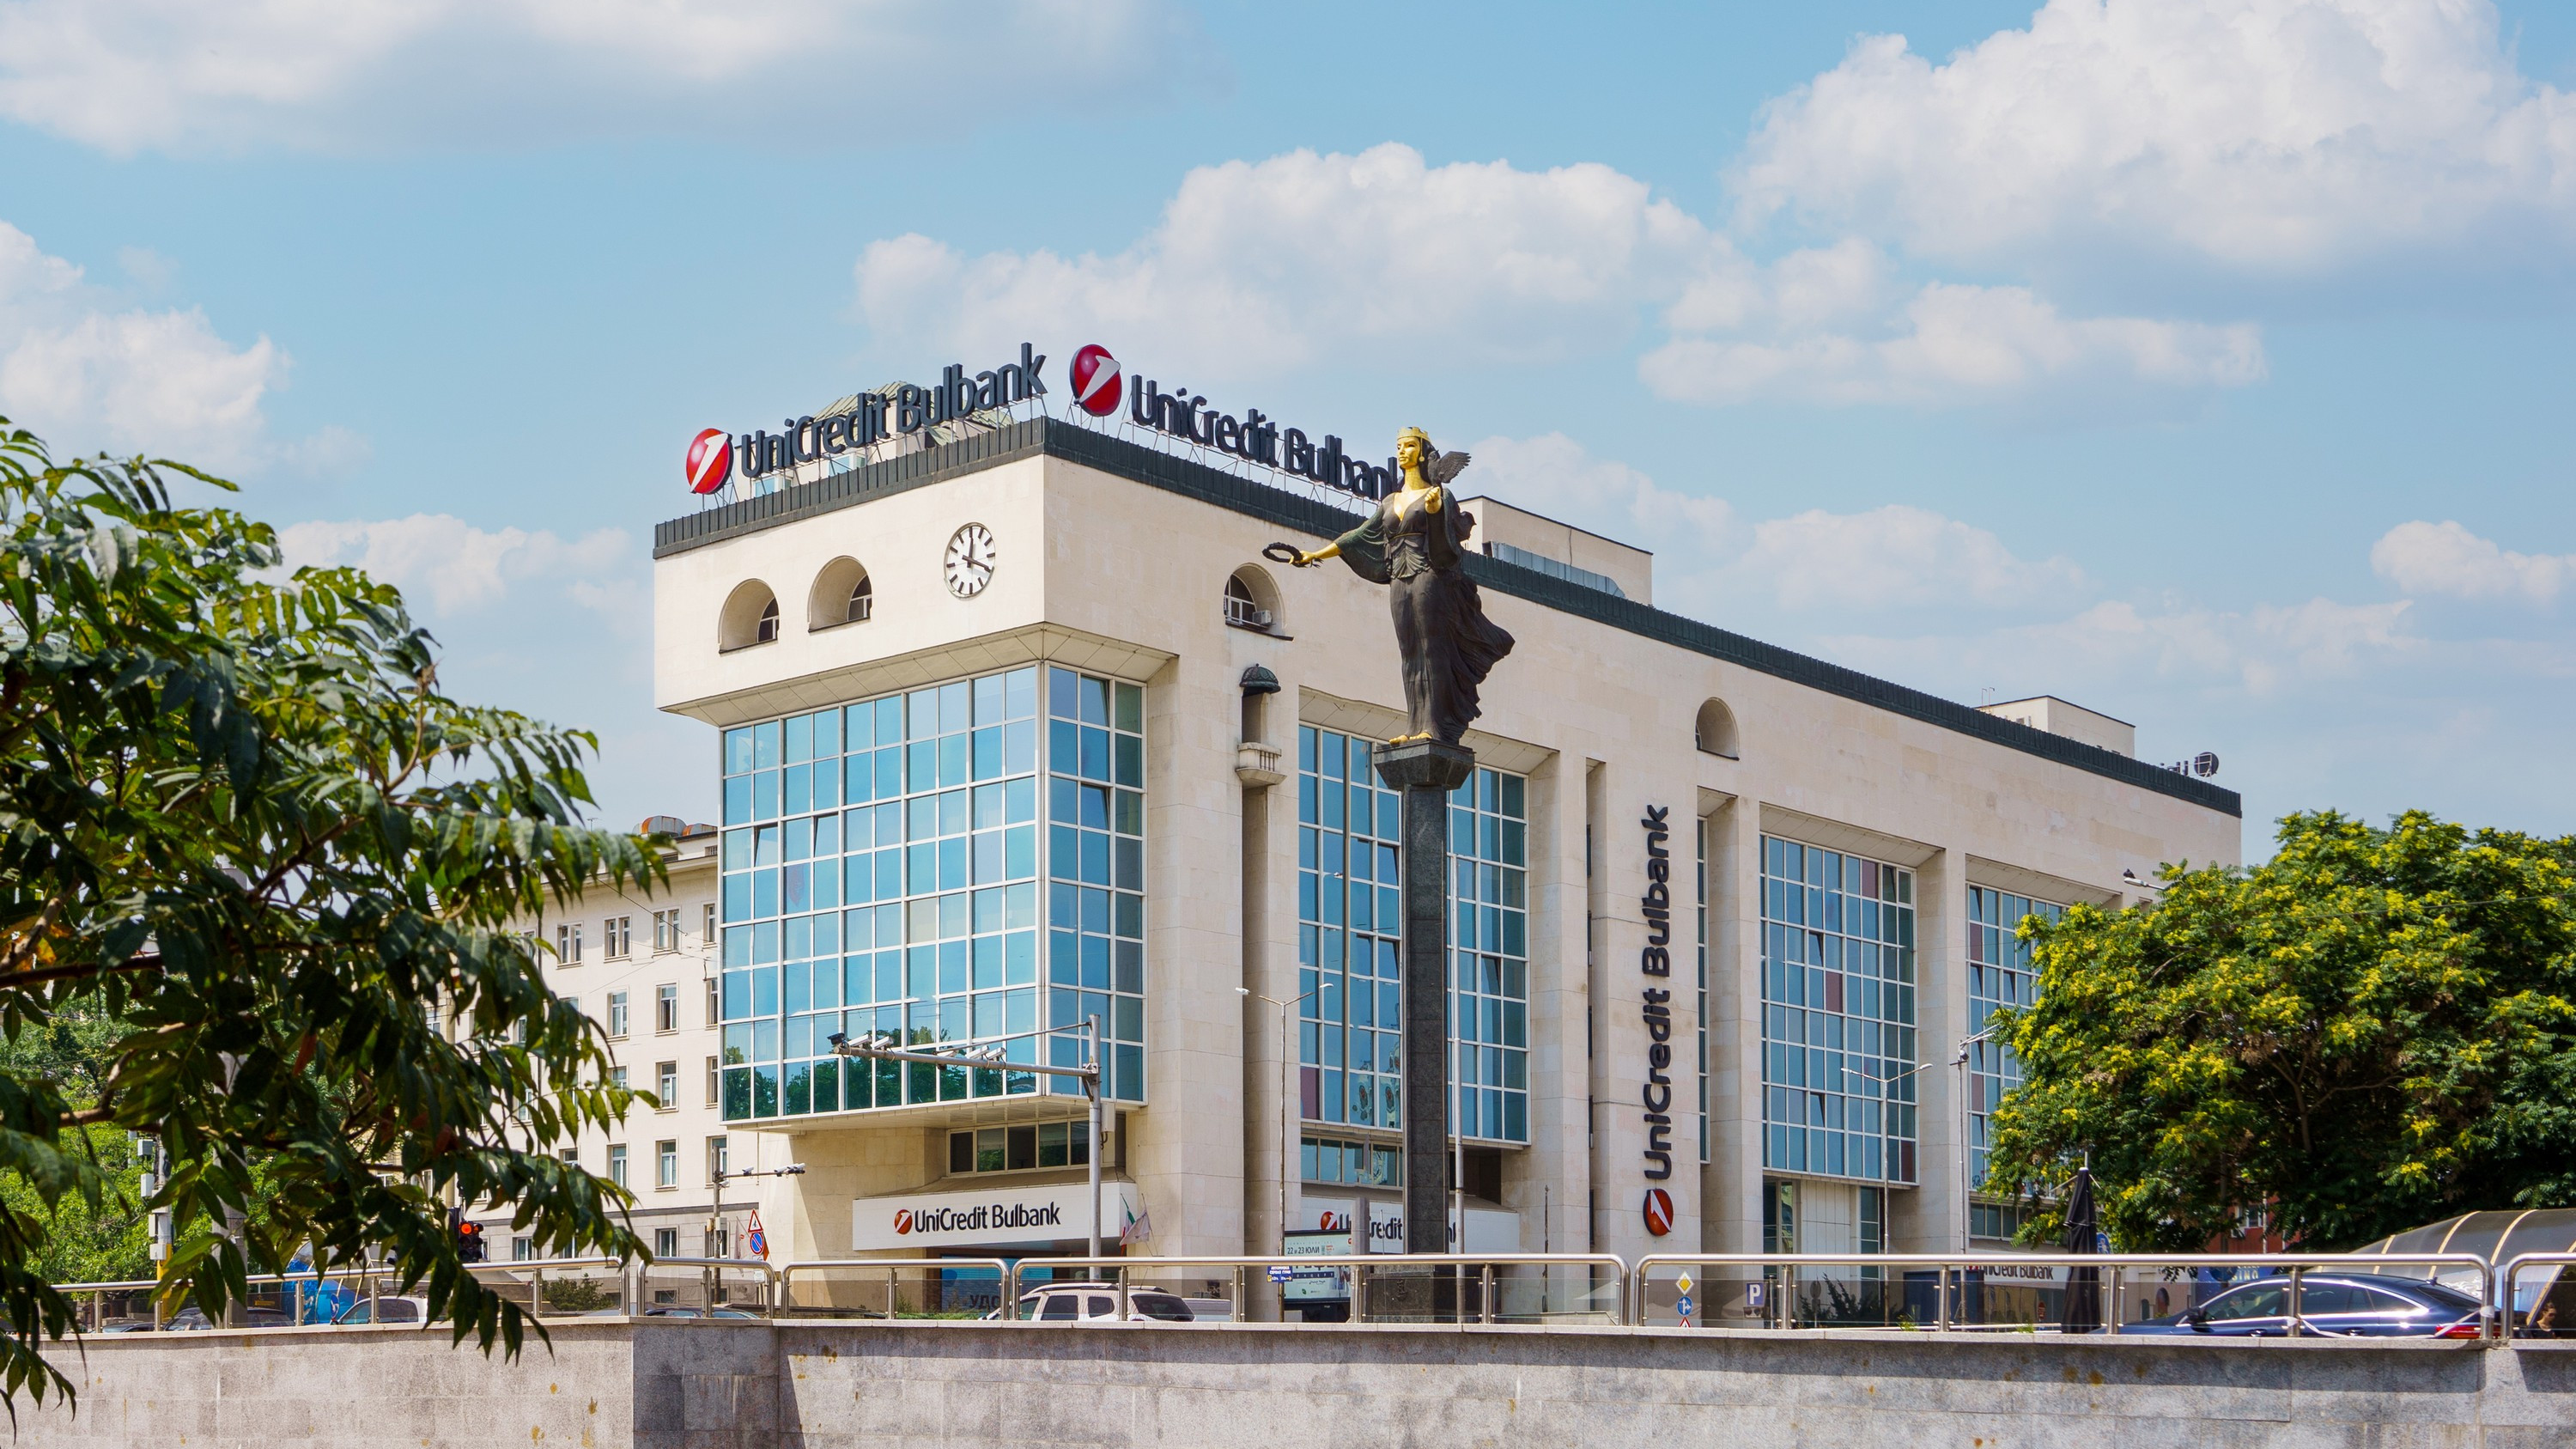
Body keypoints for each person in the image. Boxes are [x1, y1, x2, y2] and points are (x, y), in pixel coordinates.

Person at [1291, 429, 1514, 746]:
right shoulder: (1390, 501)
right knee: (1409, 652)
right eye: (1399, 446)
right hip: (1399, 577)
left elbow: (1448, 548)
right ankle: (1414, 726)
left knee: (1432, 649)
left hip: (1428, 576)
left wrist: (1434, 514)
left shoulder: (1438, 495)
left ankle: (1434, 726)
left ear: (1422, 452)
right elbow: (1358, 536)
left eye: (1409, 446)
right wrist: (1315, 554)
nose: (1402, 451)